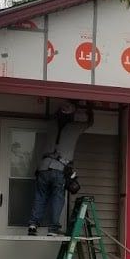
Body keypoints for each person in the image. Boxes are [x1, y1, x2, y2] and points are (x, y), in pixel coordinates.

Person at [28, 101, 93, 235]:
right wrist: (89, 109)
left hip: (43, 168)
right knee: (57, 198)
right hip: (60, 169)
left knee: (40, 196)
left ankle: (33, 224)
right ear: (71, 116)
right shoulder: (75, 128)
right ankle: (53, 229)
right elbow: (89, 123)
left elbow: (52, 117)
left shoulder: (51, 124)